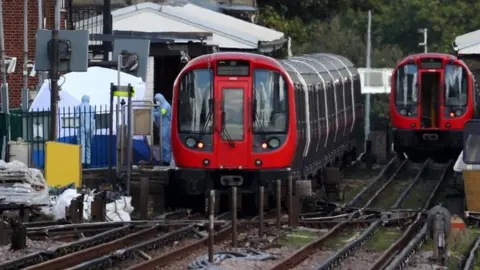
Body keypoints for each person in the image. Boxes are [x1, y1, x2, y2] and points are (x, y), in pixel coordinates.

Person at [76, 95, 96, 166]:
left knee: (82, 145)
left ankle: (82, 162)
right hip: (90, 128)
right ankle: (88, 162)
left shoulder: (78, 107)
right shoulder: (92, 108)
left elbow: (77, 118)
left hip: (81, 127)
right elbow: (93, 120)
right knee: (88, 145)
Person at [153, 93, 173, 165]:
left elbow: (160, 114)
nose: (156, 102)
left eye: (157, 100)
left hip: (166, 127)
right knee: (163, 143)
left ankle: (166, 161)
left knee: (166, 144)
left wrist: (152, 112)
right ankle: (164, 159)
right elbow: (157, 110)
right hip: (163, 126)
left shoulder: (166, 106)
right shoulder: (162, 105)